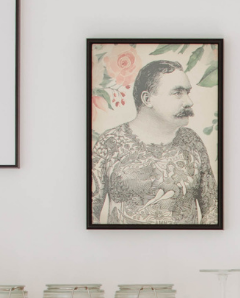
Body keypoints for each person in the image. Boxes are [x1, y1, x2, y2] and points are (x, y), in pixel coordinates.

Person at [90, 59, 218, 226]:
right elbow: (89, 212)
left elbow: (213, 209)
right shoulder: (110, 142)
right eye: (177, 93)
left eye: (187, 92)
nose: (189, 102)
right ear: (147, 99)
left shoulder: (192, 142)